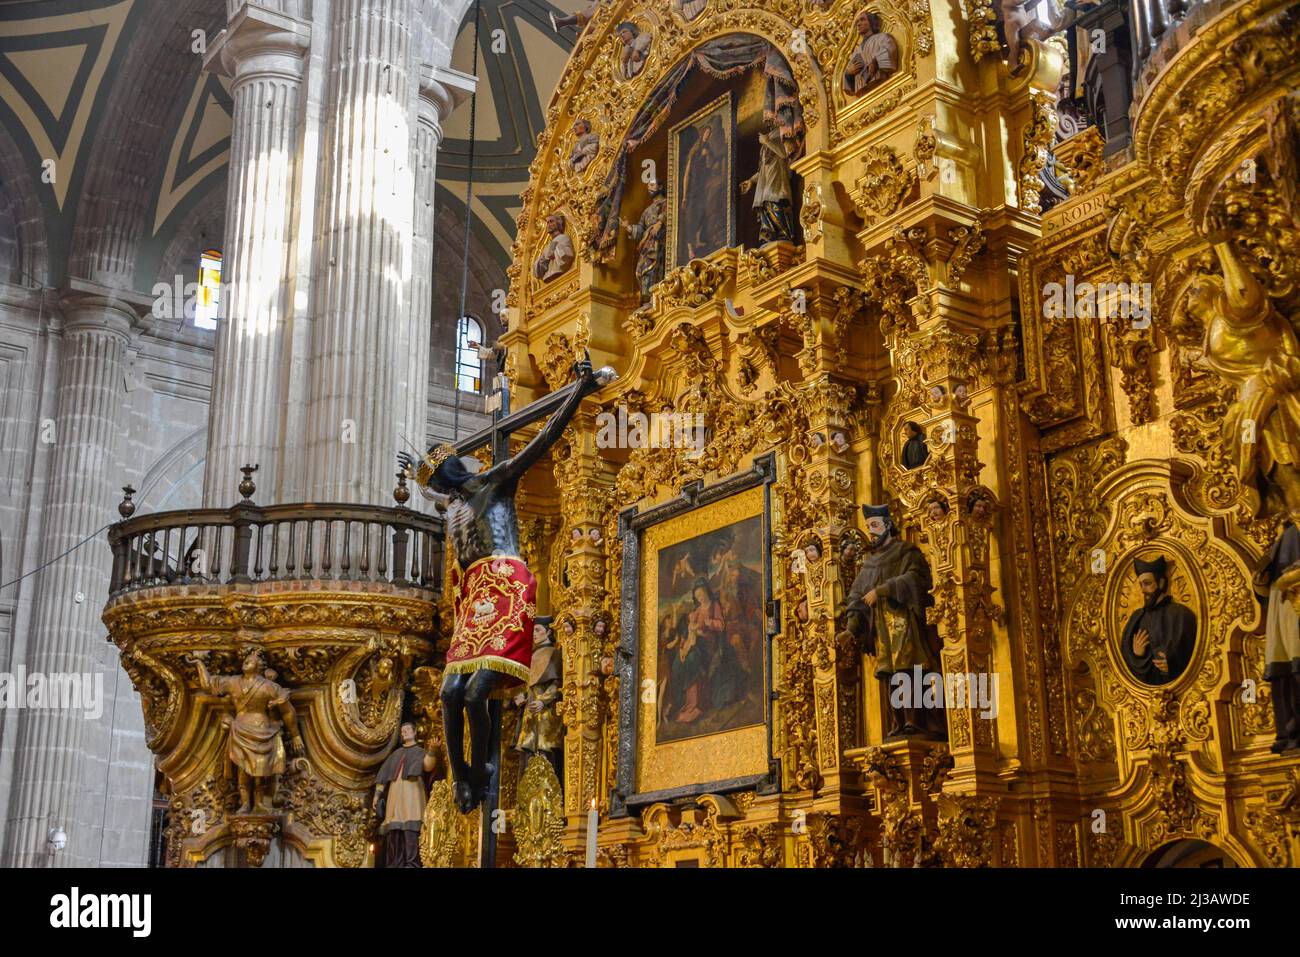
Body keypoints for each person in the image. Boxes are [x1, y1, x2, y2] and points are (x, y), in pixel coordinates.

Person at [400, 358, 607, 814]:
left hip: (506, 585)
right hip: (475, 594)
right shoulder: (453, 506)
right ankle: (463, 777)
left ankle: (483, 766)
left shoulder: (496, 481)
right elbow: (437, 496)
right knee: (450, 692)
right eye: (433, 481)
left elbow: (544, 439)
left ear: (453, 467)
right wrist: (419, 477)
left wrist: (579, 389)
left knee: (476, 693)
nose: (437, 485)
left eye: (437, 476)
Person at [837, 504, 942, 737]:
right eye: (868, 527)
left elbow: (917, 577)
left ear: (888, 525)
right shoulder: (870, 563)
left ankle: (915, 721)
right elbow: (856, 597)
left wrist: (884, 590)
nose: (871, 531)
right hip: (883, 632)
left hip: (905, 626)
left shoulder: (906, 552)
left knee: (909, 672)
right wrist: (851, 630)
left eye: (874, 525)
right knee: (890, 676)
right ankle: (898, 722)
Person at [195, 649, 304, 814]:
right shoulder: (233, 682)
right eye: (246, 660)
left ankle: (259, 802)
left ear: (259, 666)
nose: (246, 661)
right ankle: (245, 804)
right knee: (242, 768)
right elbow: (208, 684)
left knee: (260, 769)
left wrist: (295, 735)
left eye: (251, 660)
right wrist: (199, 662)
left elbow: (288, 711)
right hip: (240, 729)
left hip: (262, 731)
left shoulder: (269, 687)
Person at [1119, 556, 1197, 686]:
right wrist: (1137, 655)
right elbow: (1125, 664)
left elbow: (1193, 653)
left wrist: (1172, 664)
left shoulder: (1181, 615)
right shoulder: (1136, 618)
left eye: (1148, 583)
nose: (1143, 590)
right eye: (1141, 585)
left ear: (1161, 583)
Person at [1255, 526, 1300, 751]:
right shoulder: (1286, 535)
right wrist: (1261, 581)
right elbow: (1266, 589)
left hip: (1293, 611)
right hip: (1281, 612)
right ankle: (1288, 733)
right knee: (1284, 678)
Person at [372, 721, 437, 867]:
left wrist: (431, 751)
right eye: (403, 731)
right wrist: (376, 796)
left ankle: (411, 863)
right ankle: (395, 863)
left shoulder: (420, 752)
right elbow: (383, 776)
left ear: (414, 732)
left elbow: (427, 766)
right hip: (395, 797)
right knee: (395, 829)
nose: (405, 732)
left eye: (408, 729)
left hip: (413, 794)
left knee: (411, 828)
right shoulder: (396, 754)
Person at [514, 617, 564, 776]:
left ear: (549, 631)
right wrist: (520, 696)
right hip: (529, 712)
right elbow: (526, 683)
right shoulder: (530, 655)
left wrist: (543, 701)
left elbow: (558, 683)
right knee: (527, 751)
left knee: (544, 748)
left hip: (545, 712)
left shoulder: (554, 653)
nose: (534, 634)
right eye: (533, 630)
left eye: (538, 630)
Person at [680, 116, 728, 260]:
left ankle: (698, 239)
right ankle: (689, 247)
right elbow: (687, 174)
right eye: (706, 133)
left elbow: (713, 160)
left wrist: (713, 159)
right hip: (693, 186)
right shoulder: (694, 152)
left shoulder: (707, 148)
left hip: (702, 185)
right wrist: (684, 195)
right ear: (702, 134)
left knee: (702, 212)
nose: (707, 135)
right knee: (691, 216)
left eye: (709, 134)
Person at [741, 122, 795, 244]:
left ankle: (783, 234)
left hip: (777, 178)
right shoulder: (766, 141)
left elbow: (783, 154)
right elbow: (762, 170)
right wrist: (751, 181)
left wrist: (767, 142)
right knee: (765, 207)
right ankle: (768, 235)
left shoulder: (782, 133)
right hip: (766, 182)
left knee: (775, 203)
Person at [622, 181, 668, 302]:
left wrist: (659, 222)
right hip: (647, 244)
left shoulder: (667, 202)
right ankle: (647, 297)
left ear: (660, 186)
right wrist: (628, 228)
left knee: (653, 267)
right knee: (641, 270)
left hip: (659, 240)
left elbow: (668, 213)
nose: (650, 189)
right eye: (648, 187)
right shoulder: (647, 211)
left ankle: (655, 296)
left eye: (652, 185)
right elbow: (641, 229)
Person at [842, 11, 898, 96]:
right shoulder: (856, 52)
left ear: (871, 22)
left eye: (862, 20)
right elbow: (848, 83)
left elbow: (889, 49)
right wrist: (848, 73)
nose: (859, 24)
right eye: (857, 22)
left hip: (880, 82)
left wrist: (875, 61)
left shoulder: (882, 38)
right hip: (862, 91)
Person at [534, 213, 574, 281]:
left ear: (558, 223)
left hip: (557, 271)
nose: (549, 224)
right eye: (547, 222)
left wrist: (555, 251)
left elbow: (568, 255)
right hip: (548, 275)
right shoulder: (547, 246)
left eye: (551, 221)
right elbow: (539, 269)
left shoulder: (563, 238)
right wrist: (544, 259)